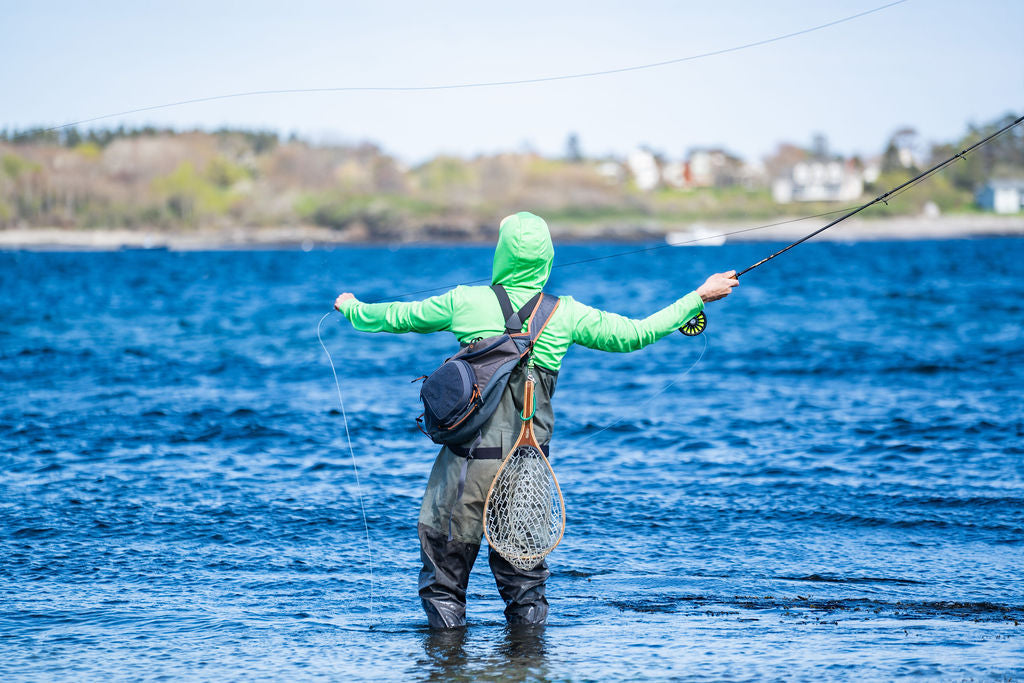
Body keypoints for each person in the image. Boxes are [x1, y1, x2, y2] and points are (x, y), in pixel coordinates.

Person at [334, 211, 737, 629]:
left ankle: (446, 666)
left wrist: (351, 308)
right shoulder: (566, 313)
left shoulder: (466, 301)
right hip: (527, 471)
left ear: (501, 254)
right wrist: (698, 297)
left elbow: (394, 317)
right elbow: (635, 334)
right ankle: (526, 667)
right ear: (547, 257)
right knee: (525, 589)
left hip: (464, 469)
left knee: (444, 585)